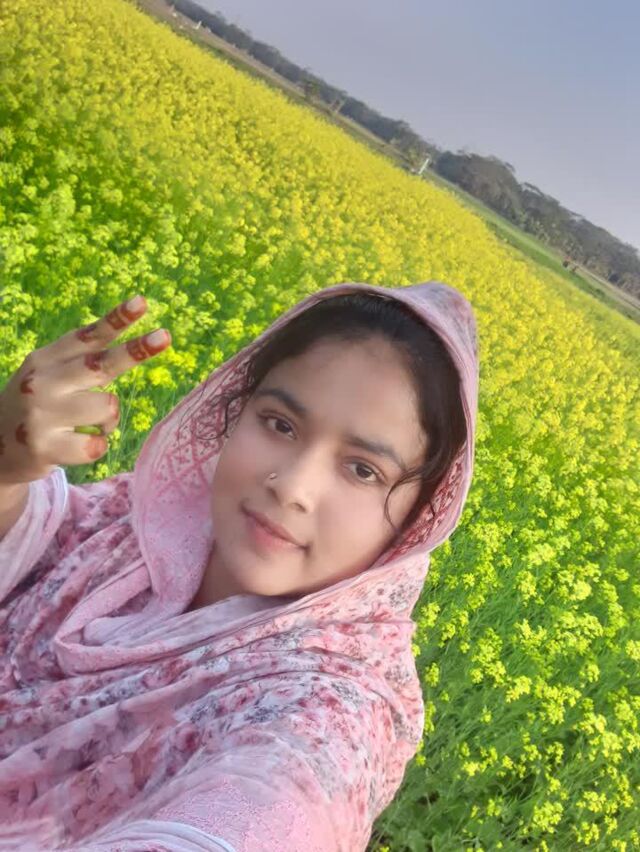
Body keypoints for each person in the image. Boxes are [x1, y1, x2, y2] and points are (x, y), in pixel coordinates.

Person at [0, 280, 479, 851]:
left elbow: (278, 802)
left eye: (362, 470)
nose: (293, 487)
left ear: (419, 519)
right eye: (280, 425)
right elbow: (29, 540)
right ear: (235, 409)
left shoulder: (330, 710)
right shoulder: (145, 520)